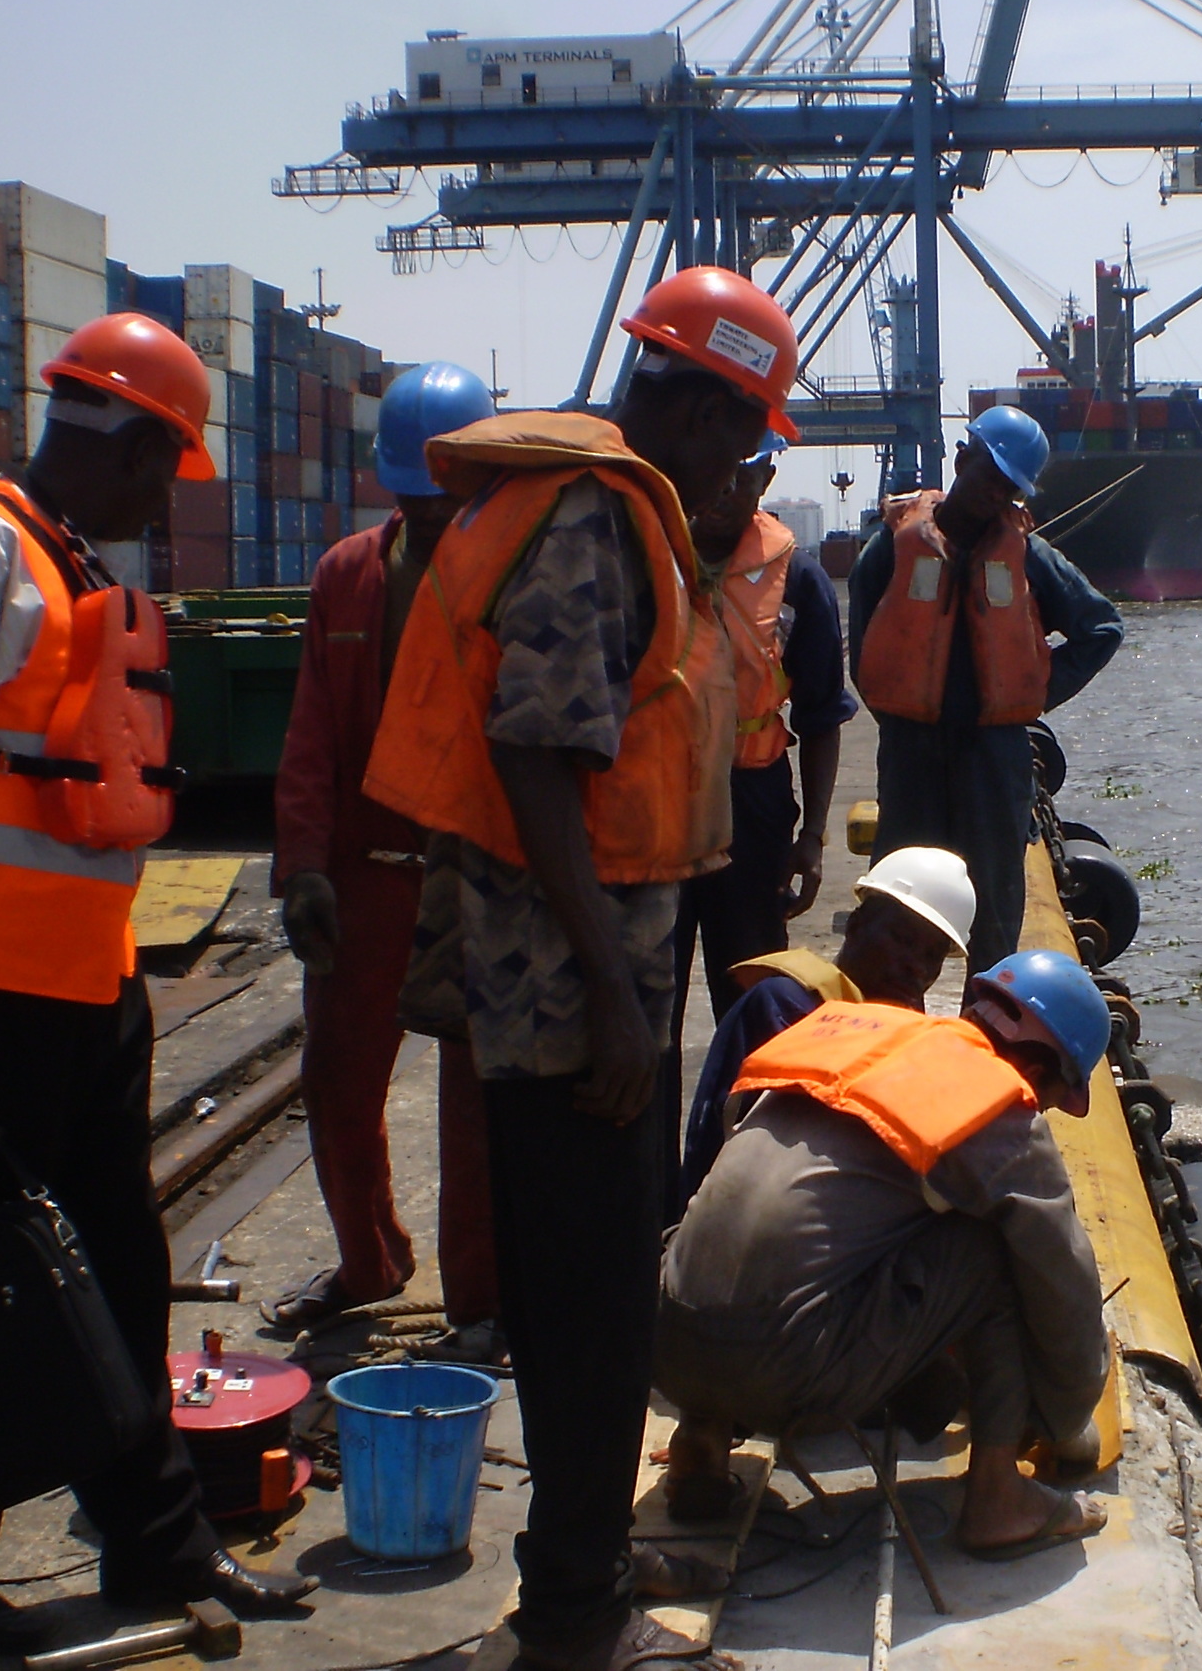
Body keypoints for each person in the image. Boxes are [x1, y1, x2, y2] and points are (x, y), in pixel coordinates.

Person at [0, 313, 317, 1655]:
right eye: (168, 466)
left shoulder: (65, 560)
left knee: (121, 1272)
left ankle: (157, 1541)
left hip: (85, 993)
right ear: (124, 438)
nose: (169, 500)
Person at [364, 265, 796, 1671]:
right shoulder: (598, 522)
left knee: (575, 1286)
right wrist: (618, 994)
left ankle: (576, 1579)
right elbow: (537, 751)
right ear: (691, 394)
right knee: (593, 1296)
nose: (746, 460)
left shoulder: (621, 514)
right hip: (567, 983)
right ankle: (576, 1610)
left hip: (581, 968)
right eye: (744, 430)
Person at [657, 950, 1114, 1560]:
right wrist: (1068, 1422)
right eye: (1054, 1097)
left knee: (786, 1233)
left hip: (665, 1343)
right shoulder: (995, 1100)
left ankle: (701, 1440)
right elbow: (1066, 1289)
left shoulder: (841, 1037)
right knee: (997, 1249)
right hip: (780, 1374)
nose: (1042, 1112)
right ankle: (1000, 1500)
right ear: (1038, 1065)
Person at [269, 362, 502, 1359]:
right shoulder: (346, 577)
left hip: (475, 871)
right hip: (366, 871)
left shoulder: (514, 576)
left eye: (444, 499)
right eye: (412, 498)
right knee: (336, 1079)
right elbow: (314, 729)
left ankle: (481, 1299)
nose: (427, 516)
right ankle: (370, 1262)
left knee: (478, 1104)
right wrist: (304, 868)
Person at [849, 407, 1124, 969]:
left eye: (1009, 486)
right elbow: (864, 649)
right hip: (911, 752)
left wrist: (1032, 693)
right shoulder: (890, 548)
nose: (995, 494)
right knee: (899, 899)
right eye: (989, 475)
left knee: (995, 911)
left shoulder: (1029, 558)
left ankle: (987, 1029)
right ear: (962, 458)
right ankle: (892, 1026)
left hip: (993, 757)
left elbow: (1102, 628)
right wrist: (899, 710)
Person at [672, 431, 855, 1038]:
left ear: (765, 483)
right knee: (649, 995)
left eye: (742, 476)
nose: (725, 490)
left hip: (751, 808)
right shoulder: (650, 557)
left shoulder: (799, 580)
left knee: (752, 991)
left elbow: (821, 714)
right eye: (718, 470)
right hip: (657, 801)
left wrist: (814, 836)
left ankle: (751, 1126)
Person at [679, 844, 974, 1207]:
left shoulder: (890, 1025)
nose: (917, 966)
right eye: (903, 939)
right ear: (856, 926)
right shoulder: (786, 1005)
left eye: (932, 955)